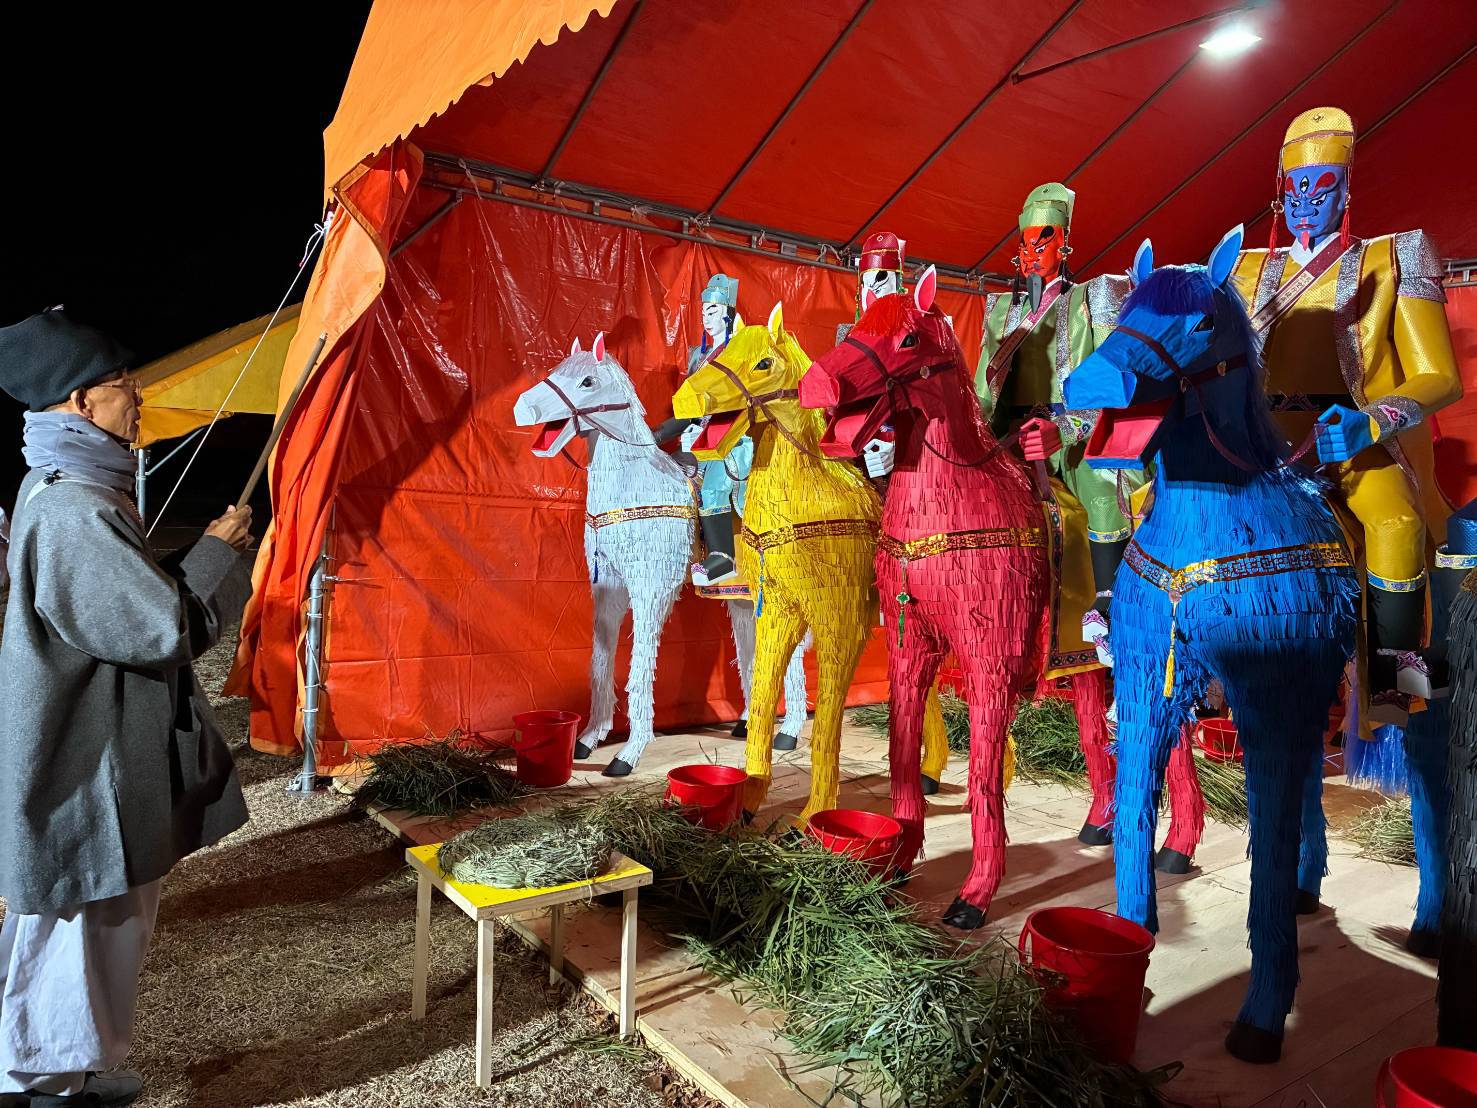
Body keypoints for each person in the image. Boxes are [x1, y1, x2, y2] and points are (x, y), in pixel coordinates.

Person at [0, 308, 254, 1107]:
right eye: (122, 384)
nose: (137, 395)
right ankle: (47, 1081)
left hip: (89, 743)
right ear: (80, 401)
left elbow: (125, 600)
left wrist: (192, 555)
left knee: (93, 921)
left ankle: (67, 1067)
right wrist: (217, 553)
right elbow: (158, 630)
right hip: (86, 758)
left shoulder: (67, 486)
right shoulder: (74, 508)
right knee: (84, 923)